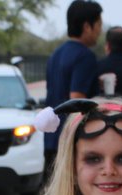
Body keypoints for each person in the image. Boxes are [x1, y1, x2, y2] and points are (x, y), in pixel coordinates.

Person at [44, 1, 103, 178]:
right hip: (72, 140)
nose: (100, 31)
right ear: (87, 27)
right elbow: (76, 99)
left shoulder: (56, 54)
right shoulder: (85, 56)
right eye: (98, 25)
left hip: (51, 138)